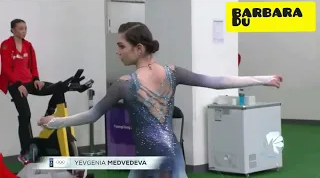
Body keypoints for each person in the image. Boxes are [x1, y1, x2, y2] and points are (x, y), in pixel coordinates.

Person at [38, 22, 283, 178]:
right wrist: (263, 78)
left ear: (139, 49)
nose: (117, 51)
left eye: (121, 46)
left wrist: (54, 123)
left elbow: (92, 116)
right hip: (163, 153)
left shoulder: (125, 84)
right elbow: (217, 80)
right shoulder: (170, 72)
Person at [0, 19, 62, 165]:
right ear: (13, 30)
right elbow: (6, 69)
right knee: (25, 114)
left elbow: (33, 65)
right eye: (21, 28)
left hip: (29, 82)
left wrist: (36, 79)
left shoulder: (28, 45)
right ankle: (24, 152)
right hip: (14, 84)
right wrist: (17, 85)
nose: (24, 31)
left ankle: (48, 117)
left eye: (25, 28)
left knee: (58, 88)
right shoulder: (5, 45)